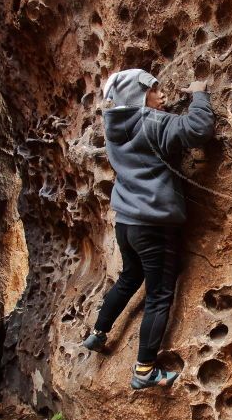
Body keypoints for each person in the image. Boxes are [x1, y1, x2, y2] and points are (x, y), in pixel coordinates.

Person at [81, 68, 215, 390]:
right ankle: (144, 371)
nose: (163, 96)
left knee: (130, 277)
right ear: (140, 96)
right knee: (159, 295)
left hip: (126, 223)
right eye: (156, 90)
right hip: (154, 226)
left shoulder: (113, 125)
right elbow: (199, 129)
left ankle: (98, 334)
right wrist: (199, 93)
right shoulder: (154, 122)